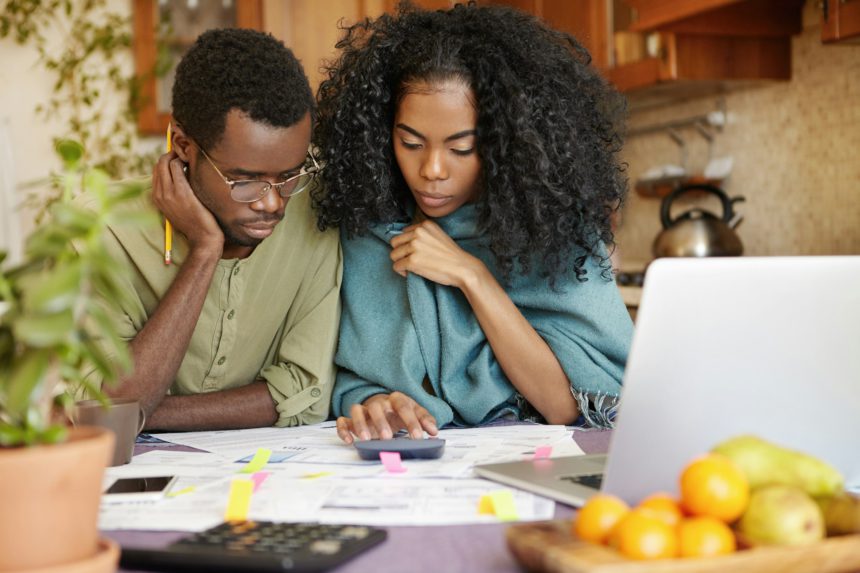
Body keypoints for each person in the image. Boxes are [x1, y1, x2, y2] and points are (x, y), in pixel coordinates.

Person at [312, 3, 634, 444]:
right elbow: (353, 377)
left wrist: (471, 275)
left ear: (507, 144)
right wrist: (377, 403)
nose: (432, 170)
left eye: (461, 148)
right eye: (410, 143)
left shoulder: (553, 232)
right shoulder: (367, 229)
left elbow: (564, 406)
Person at [80, 29, 342, 431]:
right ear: (183, 146)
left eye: (290, 176)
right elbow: (103, 419)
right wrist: (204, 250)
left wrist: (149, 411)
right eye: (245, 180)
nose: (272, 203)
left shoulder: (317, 215)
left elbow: (305, 395)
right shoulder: (100, 232)